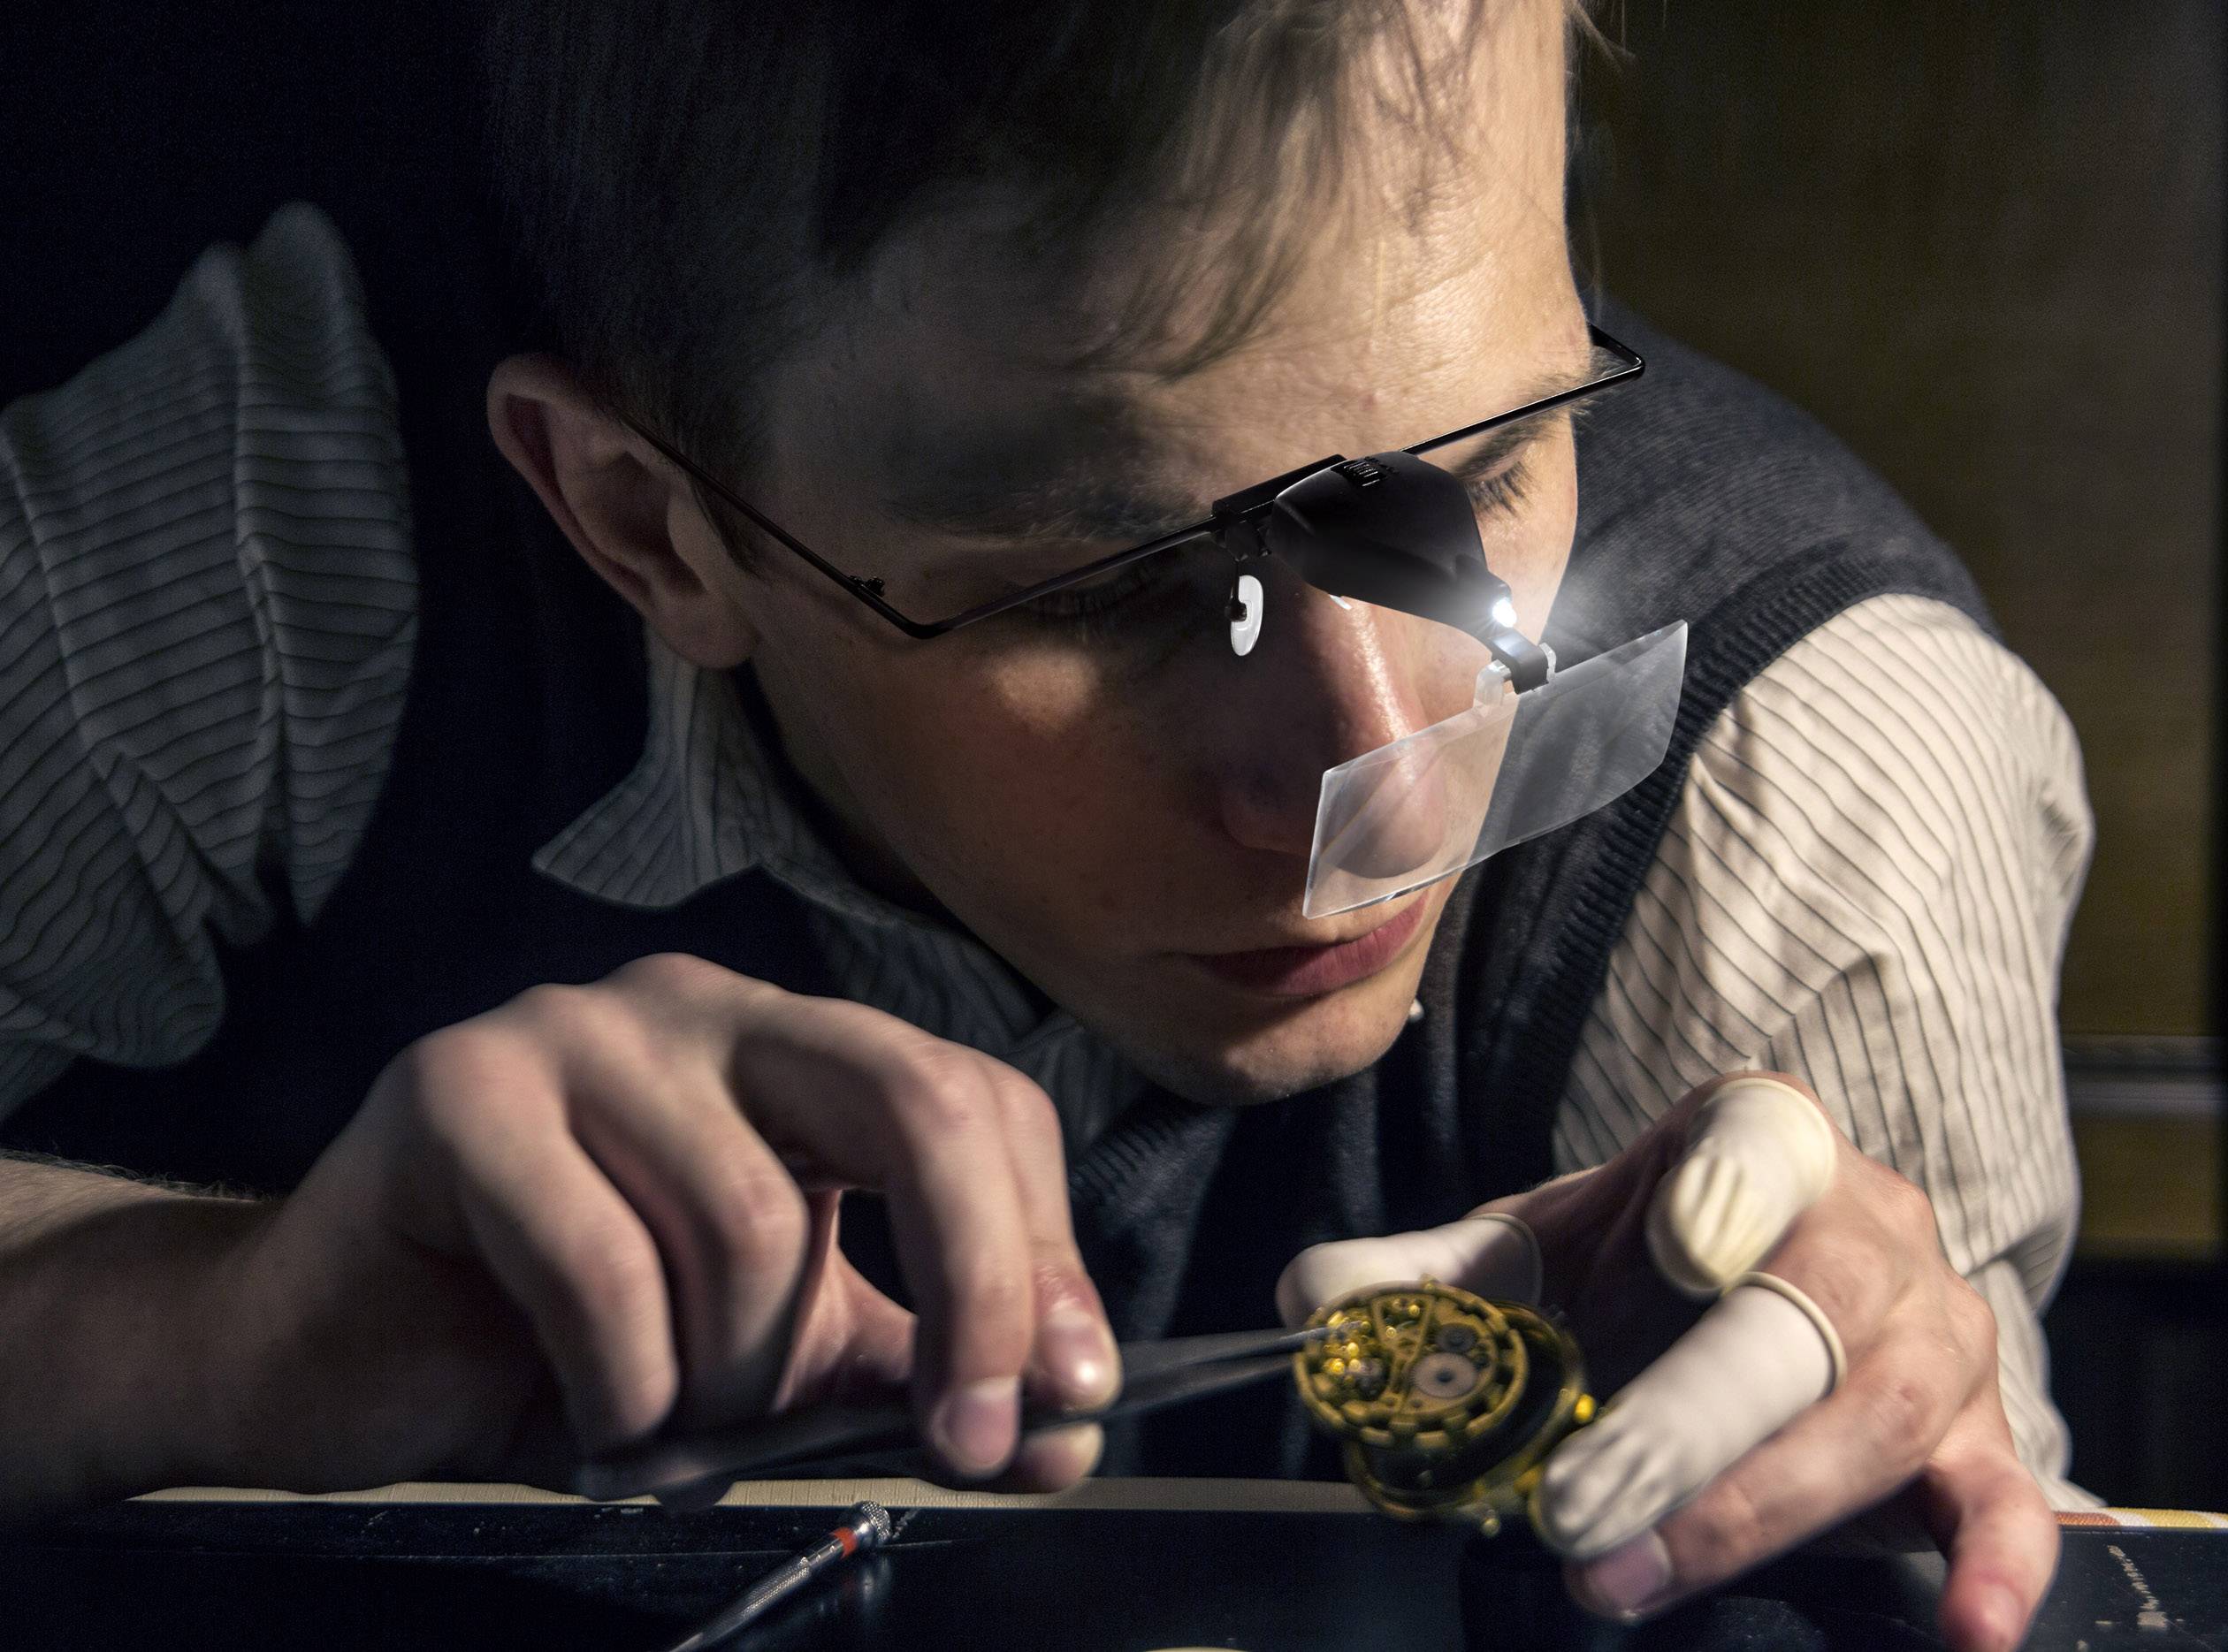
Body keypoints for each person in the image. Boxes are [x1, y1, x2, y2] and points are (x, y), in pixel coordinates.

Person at [0, 3, 2089, 1646]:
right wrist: (201, 1319)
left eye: (1497, 459)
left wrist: (1877, 1509)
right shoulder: (278, 545)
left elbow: (1968, 1558)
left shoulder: (1808, 770)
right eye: (1108, 580)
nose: (1376, 771)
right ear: (645, 521)